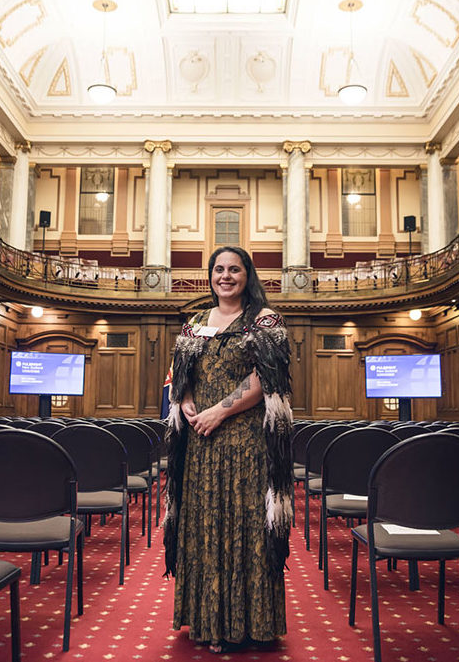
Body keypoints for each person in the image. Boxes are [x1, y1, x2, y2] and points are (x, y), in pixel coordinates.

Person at [163, 246, 293, 654]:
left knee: (246, 529)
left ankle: (251, 623)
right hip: (201, 446)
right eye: (219, 269)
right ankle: (208, 621)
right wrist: (184, 400)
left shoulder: (265, 321)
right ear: (210, 275)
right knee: (205, 528)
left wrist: (218, 411)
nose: (225, 276)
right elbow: (180, 375)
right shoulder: (195, 323)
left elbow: (264, 379)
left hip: (246, 445)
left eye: (234, 269)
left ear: (247, 274)